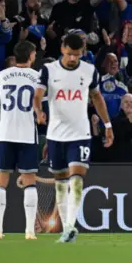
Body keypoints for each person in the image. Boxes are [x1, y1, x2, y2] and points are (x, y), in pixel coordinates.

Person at [32, 33, 114, 243]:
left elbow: (97, 97)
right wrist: (38, 111)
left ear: (81, 53)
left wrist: (107, 125)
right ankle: (66, 227)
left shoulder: (89, 71)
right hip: (56, 134)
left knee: (76, 177)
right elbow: (38, 95)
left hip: (80, 133)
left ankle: (70, 226)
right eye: (69, 54)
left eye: (76, 55)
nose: (72, 59)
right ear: (62, 49)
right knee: (60, 181)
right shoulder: (49, 70)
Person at [0, 41, 40, 240]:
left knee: (0, 184)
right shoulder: (38, 78)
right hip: (28, 135)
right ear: (31, 55)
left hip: (5, 134)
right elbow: (45, 111)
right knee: (29, 183)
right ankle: (29, 231)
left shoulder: (0, 77)